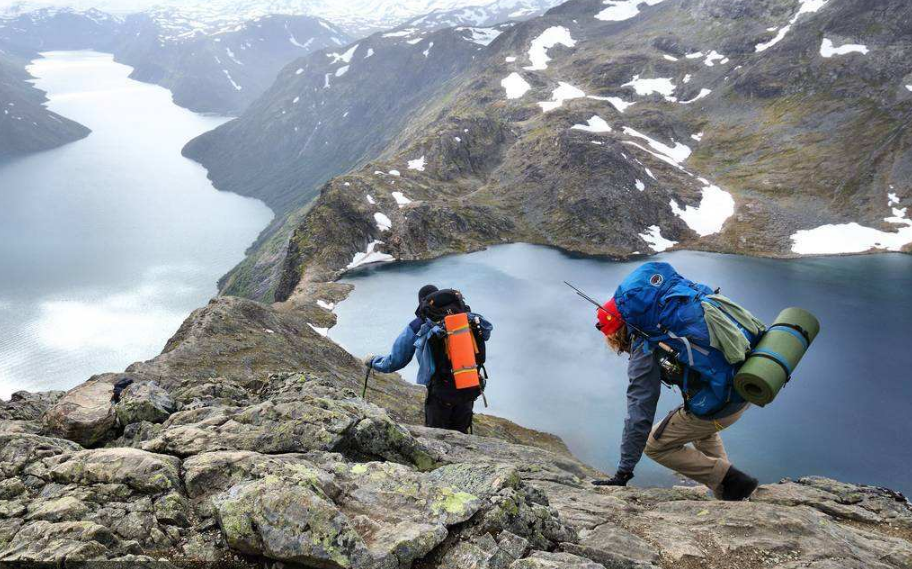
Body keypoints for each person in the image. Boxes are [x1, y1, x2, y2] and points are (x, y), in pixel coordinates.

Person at [592, 276, 759, 501]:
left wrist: (624, 470)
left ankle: (732, 481)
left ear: (615, 334)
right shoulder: (667, 319)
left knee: (655, 445)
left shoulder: (646, 347)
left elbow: (639, 412)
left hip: (721, 403)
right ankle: (731, 495)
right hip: (743, 384)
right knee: (701, 431)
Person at [364, 284, 492, 434]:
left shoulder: (419, 324)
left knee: (436, 439)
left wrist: (373, 361)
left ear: (422, 303)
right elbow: (486, 334)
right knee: (462, 436)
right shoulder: (465, 318)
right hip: (468, 388)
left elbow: (396, 361)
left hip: (440, 394)